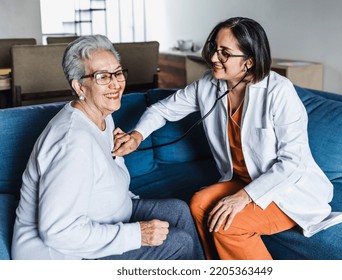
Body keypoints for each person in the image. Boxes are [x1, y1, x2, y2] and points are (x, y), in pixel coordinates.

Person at [112, 17, 342, 260]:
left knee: (229, 223)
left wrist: (241, 198)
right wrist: (136, 136)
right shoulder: (208, 84)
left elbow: (293, 163)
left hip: (285, 189)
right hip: (242, 180)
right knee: (198, 204)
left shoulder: (280, 92)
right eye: (214, 49)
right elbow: (162, 109)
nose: (214, 58)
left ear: (249, 61)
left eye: (225, 53)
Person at [11, 35, 204, 260]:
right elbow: (57, 232)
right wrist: (137, 234)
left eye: (118, 72)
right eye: (102, 77)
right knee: (179, 242)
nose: (116, 84)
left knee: (178, 211)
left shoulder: (103, 117)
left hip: (103, 218)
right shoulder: (73, 144)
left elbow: (103, 178)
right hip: (62, 257)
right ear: (79, 86)